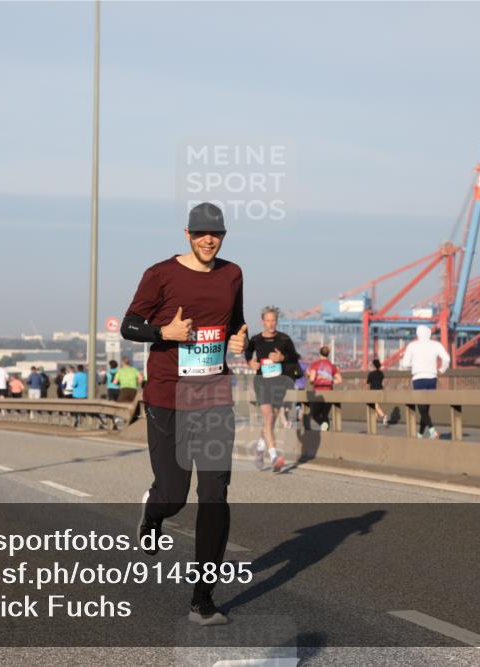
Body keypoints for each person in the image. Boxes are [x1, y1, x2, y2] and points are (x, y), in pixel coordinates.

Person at [120, 201, 246, 626]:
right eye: (201, 234)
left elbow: (235, 323)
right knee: (174, 494)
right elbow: (129, 325)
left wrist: (238, 340)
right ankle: (154, 511)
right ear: (188, 235)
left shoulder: (233, 274)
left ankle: (202, 600)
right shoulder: (160, 274)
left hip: (213, 396)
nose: (210, 240)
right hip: (168, 396)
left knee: (214, 495)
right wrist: (163, 333)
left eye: (217, 234)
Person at [245, 306, 300, 472]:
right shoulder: (255, 340)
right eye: (267, 320)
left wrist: (282, 357)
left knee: (272, 419)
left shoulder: (284, 339)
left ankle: (260, 449)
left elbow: (295, 357)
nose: (271, 324)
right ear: (263, 321)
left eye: (273, 320)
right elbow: (247, 352)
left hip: (278, 382)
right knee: (268, 416)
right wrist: (250, 362)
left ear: (277, 321)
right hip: (262, 381)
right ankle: (274, 456)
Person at [400, 324, 450, 439]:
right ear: (429, 333)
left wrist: (416, 364)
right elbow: (447, 358)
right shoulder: (436, 345)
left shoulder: (412, 345)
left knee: (422, 407)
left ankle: (432, 431)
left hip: (418, 378)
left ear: (417, 334)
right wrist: (442, 369)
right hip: (432, 378)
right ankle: (420, 434)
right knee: (426, 408)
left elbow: (405, 364)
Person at [307, 346, 342, 432]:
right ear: (328, 354)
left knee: (315, 414)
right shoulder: (332, 366)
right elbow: (340, 380)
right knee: (325, 414)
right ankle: (326, 432)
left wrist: (309, 376)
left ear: (320, 353)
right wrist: (330, 381)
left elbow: (311, 380)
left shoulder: (315, 365)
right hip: (329, 392)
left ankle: (323, 426)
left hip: (318, 392)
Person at [366, 359, 388, 426]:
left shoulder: (371, 374)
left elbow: (367, 384)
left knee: (376, 406)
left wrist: (367, 393)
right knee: (376, 406)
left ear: (373, 366)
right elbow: (383, 382)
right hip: (380, 391)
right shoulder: (381, 373)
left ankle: (383, 416)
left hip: (373, 391)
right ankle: (373, 423)